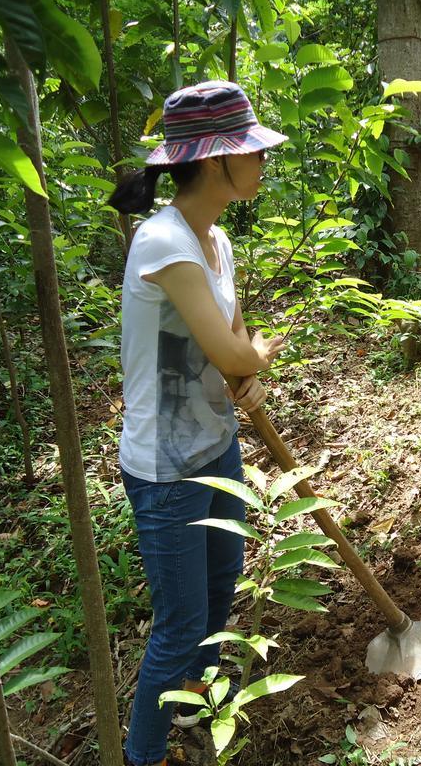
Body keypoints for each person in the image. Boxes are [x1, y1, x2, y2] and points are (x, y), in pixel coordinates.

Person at [109, 80, 287, 766]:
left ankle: (195, 704)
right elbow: (237, 349)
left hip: (216, 446)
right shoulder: (164, 243)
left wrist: (246, 366)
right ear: (215, 162)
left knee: (221, 586)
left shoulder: (216, 242)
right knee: (180, 625)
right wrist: (256, 357)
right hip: (165, 469)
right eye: (254, 153)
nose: (262, 164)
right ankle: (142, 755)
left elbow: (232, 350)